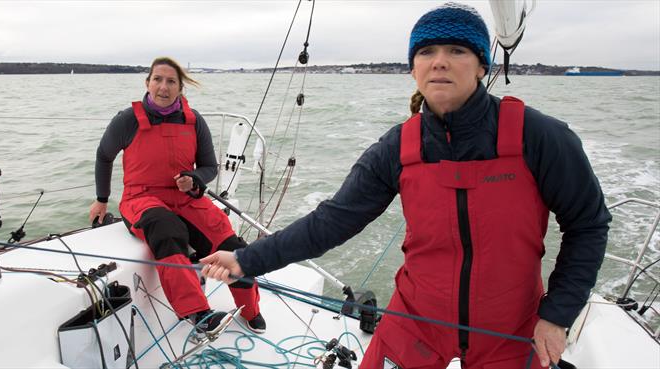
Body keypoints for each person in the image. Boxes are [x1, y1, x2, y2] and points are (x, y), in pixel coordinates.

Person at [202, 3, 610, 368]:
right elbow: (333, 221)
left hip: (511, 326)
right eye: (426, 52)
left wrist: (557, 315)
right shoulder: (398, 147)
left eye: (457, 50)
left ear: (483, 64)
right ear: (413, 68)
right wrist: (247, 260)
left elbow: (588, 224)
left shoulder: (539, 137)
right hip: (416, 319)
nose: (440, 62)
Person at [89, 56, 265, 334]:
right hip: (140, 199)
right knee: (167, 229)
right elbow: (103, 155)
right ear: (147, 83)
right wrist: (101, 198)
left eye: (171, 81)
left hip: (185, 198)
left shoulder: (194, 121)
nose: (163, 86)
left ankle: (251, 309)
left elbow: (209, 167)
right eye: (157, 79)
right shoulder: (127, 121)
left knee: (228, 240)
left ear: (180, 88)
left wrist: (195, 179)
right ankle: (198, 313)